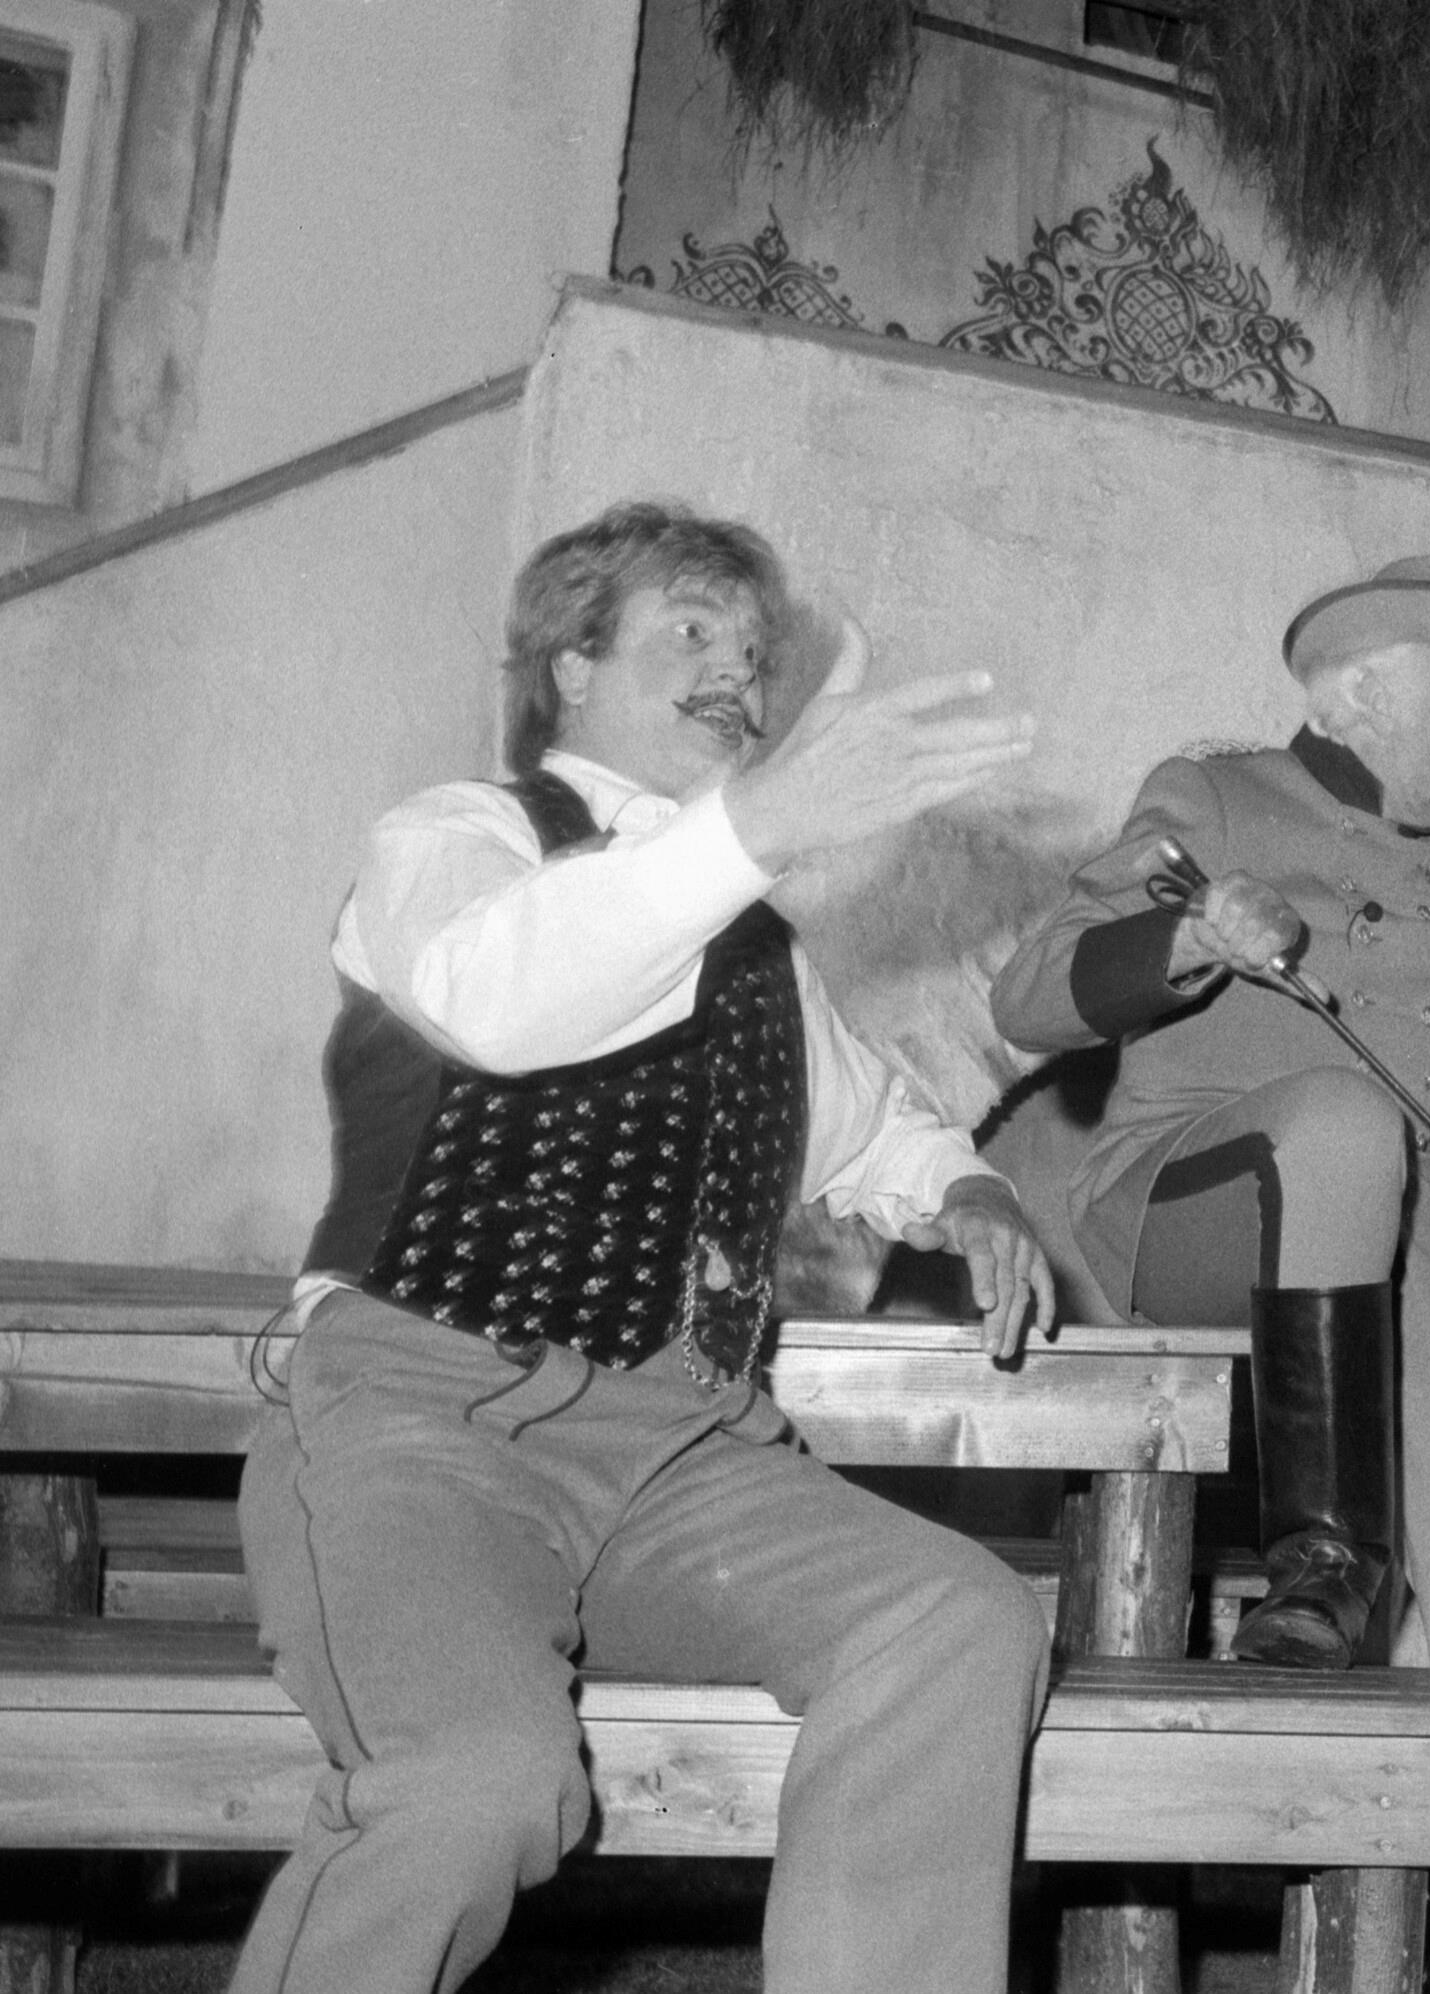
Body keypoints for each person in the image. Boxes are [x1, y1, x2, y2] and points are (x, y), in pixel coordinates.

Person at [238, 502, 1060, 1994]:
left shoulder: (756, 947)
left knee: (957, 1615)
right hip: (426, 1429)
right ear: (570, 661)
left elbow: (872, 1125)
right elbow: (496, 997)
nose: (736, 671)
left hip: (687, 1456)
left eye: (752, 649)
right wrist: (755, 830)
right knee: (477, 1782)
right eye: (691, 630)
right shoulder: (458, 837)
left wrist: (970, 1192)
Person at [986, 555, 1430, 1701]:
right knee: (1346, 1124)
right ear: (1361, 693)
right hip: (1190, 1209)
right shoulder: (1217, 796)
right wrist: (1194, 939)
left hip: (1402, 1246)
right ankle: (1321, 1562)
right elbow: (1026, 998)